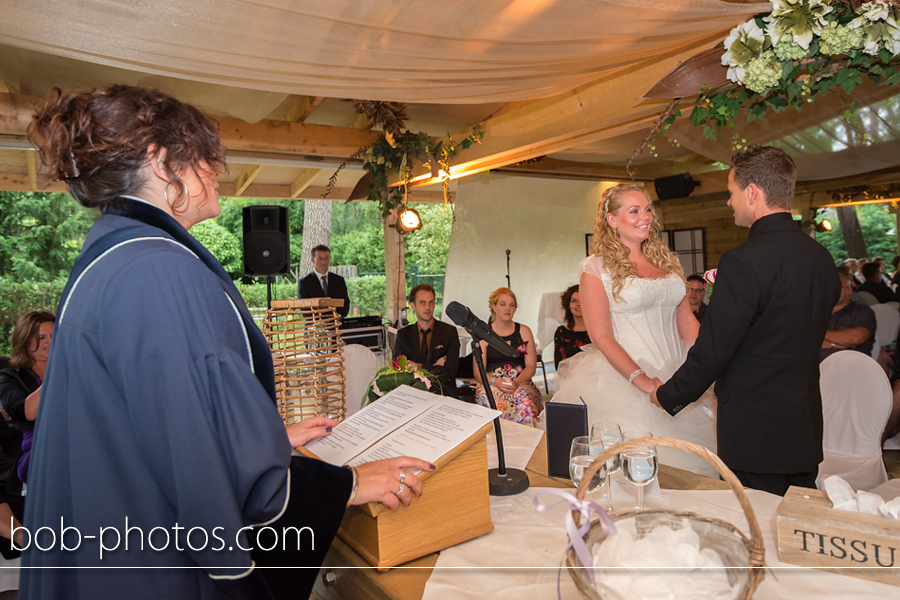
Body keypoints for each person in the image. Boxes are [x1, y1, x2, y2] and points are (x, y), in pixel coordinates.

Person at [22, 85, 433, 600]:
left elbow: (154, 423)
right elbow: (213, 481)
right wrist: (346, 484)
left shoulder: (111, 253)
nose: (219, 167)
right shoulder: (159, 270)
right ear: (160, 162)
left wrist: (268, 440)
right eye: (203, 155)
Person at [652, 145, 841, 496]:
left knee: (755, 532)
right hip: (804, 428)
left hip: (754, 432)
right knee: (793, 531)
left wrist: (667, 395)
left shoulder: (743, 261)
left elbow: (714, 349)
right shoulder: (821, 258)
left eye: (731, 192)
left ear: (752, 192)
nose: (729, 202)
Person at [552, 184, 717, 476]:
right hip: (624, 380)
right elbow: (599, 334)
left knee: (692, 473)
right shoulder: (595, 268)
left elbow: (688, 324)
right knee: (638, 470)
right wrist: (643, 382)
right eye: (634, 210)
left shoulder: (667, 261)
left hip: (678, 374)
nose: (645, 217)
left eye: (648, 209)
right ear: (612, 220)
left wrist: (708, 363)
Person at [473, 288, 543, 426]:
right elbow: (477, 372)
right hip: (491, 382)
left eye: (512, 305)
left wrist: (516, 383)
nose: (508, 308)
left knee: (526, 403)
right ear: (493, 307)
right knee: (492, 403)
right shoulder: (483, 334)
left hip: (520, 381)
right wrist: (496, 382)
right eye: (503, 304)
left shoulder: (524, 331)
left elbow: (531, 366)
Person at [0, 311, 54, 485]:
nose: (50, 341)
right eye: (42, 337)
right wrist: (58, 371)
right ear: (24, 340)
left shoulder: (78, 370)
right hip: (36, 450)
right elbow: (27, 412)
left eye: (54, 335)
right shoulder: (9, 376)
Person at [392, 284, 460, 398]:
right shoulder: (403, 335)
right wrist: (435, 366)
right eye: (422, 302)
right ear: (412, 306)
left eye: (431, 302)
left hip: (444, 394)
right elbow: (400, 373)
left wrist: (417, 367)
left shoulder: (449, 332)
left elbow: (450, 372)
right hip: (413, 395)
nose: (428, 307)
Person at [820, 270, 876, 362]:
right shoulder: (816, 312)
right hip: (815, 367)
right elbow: (801, 341)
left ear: (849, 290)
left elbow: (857, 337)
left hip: (851, 366)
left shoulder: (861, 311)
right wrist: (835, 344)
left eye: (837, 287)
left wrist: (817, 334)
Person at [298, 244, 351, 318]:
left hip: (336, 324)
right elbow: (304, 309)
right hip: (314, 326)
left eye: (326, 258)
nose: (323, 262)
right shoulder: (304, 282)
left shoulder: (339, 280)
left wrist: (336, 318)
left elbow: (345, 304)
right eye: (320, 258)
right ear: (312, 260)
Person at [553, 284, 590, 369]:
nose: (578, 304)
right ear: (568, 305)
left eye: (582, 300)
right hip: (570, 380)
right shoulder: (561, 332)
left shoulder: (598, 330)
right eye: (573, 301)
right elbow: (559, 366)